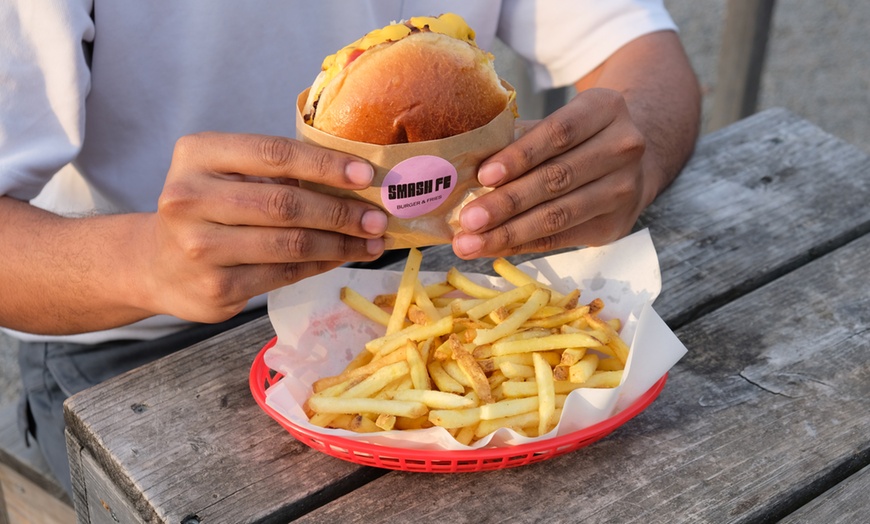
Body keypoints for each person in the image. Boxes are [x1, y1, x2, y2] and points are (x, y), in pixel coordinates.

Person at [0, 0, 701, 495]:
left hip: (435, 291)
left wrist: (626, 156)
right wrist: (143, 259)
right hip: (134, 344)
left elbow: (639, 48)